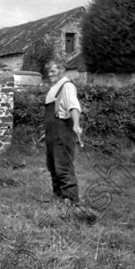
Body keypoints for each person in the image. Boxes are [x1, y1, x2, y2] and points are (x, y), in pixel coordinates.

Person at [44, 62, 84, 206]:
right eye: (48, 72)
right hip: (51, 131)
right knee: (52, 165)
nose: (49, 74)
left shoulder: (67, 86)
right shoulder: (54, 88)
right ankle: (59, 196)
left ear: (62, 70)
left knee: (63, 166)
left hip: (62, 130)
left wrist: (76, 124)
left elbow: (73, 106)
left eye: (53, 71)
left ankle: (72, 201)